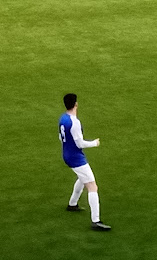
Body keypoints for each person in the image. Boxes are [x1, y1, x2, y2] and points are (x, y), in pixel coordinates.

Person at [59, 93, 111, 232]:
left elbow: (61, 137)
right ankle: (96, 221)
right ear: (76, 104)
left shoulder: (63, 118)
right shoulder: (74, 123)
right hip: (76, 158)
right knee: (93, 186)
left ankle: (72, 204)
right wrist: (94, 143)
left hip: (67, 154)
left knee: (83, 179)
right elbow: (80, 143)